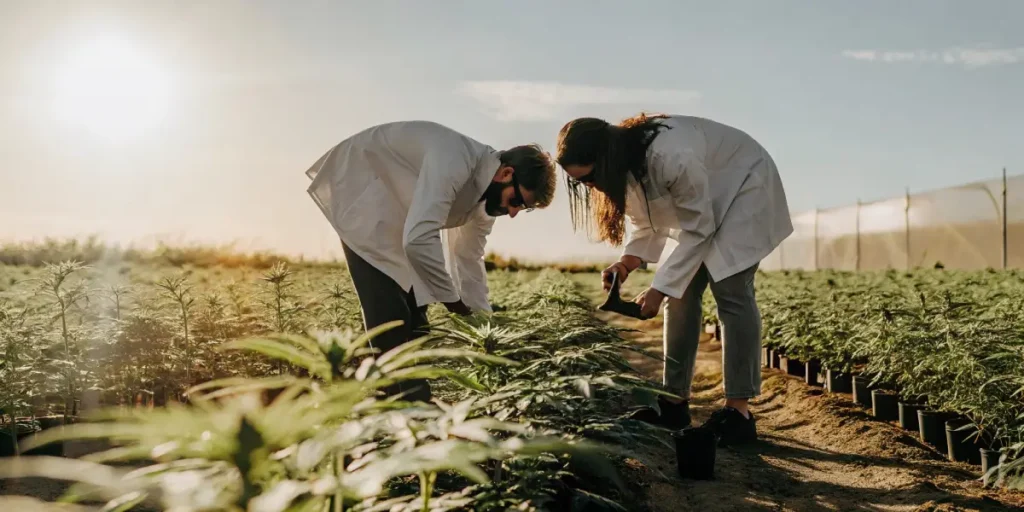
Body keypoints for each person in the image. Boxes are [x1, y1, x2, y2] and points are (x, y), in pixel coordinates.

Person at [555, 113, 792, 445]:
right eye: (580, 182)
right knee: (679, 296)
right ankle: (673, 403)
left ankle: (739, 412)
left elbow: (699, 228)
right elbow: (647, 224)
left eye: (589, 177)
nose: (589, 186)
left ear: (604, 158)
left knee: (731, 290)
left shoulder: (670, 154)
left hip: (744, 187)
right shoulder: (628, 162)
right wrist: (625, 265)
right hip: (706, 208)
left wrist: (658, 289)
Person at [306, 120, 557, 402]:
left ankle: (417, 403)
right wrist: (453, 304)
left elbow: (469, 259)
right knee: (389, 311)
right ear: (506, 173)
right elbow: (417, 240)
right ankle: (392, 406)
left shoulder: (486, 204)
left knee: (418, 317)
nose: (513, 213)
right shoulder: (455, 159)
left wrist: (484, 330)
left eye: (522, 210)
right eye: (517, 202)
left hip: (402, 210)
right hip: (363, 184)